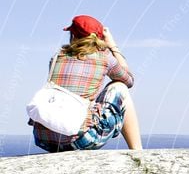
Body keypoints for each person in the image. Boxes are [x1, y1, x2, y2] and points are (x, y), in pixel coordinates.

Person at [29, 14, 143, 152]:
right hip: (80, 140)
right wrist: (112, 46)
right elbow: (129, 80)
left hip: (44, 139)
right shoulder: (105, 58)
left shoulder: (56, 57)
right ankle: (137, 151)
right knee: (120, 87)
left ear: (73, 35)